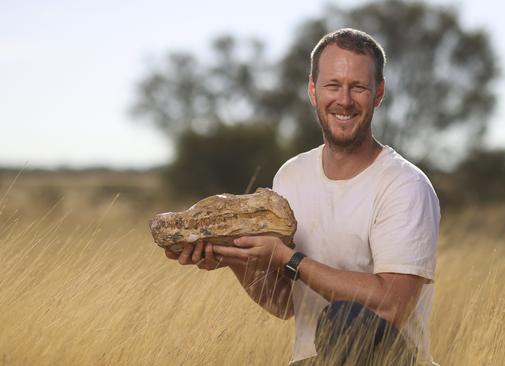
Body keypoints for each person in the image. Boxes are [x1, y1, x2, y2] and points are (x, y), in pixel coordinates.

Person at [165, 28, 441, 365]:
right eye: (333, 85)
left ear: (378, 93)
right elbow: (285, 303)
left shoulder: (403, 185)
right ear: (313, 90)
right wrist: (234, 259)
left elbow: (393, 305)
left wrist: (288, 258)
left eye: (358, 87)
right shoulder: (291, 176)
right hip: (313, 360)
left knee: (346, 318)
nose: (344, 100)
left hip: (390, 361)